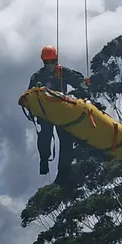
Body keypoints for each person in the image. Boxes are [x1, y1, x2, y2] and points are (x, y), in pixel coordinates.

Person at [27, 45, 89, 181]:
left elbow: (79, 80)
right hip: (46, 114)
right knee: (45, 136)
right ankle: (44, 161)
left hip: (62, 112)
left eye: (52, 61)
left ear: (56, 60)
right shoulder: (38, 76)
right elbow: (29, 94)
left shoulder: (63, 72)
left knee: (66, 140)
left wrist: (81, 91)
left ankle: (64, 171)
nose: (50, 65)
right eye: (46, 62)